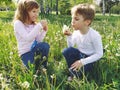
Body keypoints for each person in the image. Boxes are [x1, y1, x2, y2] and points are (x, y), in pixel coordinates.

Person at [62, 4, 103, 81]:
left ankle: (75, 74)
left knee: (81, 69)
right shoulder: (76, 32)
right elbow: (70, 46)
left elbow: (99, 54)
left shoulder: (95, 35)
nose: (72, 22)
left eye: (76, 19)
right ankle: (73, 71)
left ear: (87, 22)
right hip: (80, 55)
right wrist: (69, 36)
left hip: (90, 59)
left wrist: (82, 62)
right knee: (66, 51)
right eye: (72, 19)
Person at [13, 0, 50, 70]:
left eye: (37, 12)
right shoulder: (18, 23)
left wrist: (44, 31)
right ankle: (28, 63)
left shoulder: (34, 24)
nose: (36, 14)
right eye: (34, 11)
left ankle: (44, 66)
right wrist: (39, 26)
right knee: (31, 68)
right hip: (25, 53)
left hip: (34, 49)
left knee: (45, 45)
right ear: (24, 12)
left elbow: (38, 40)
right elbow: (28, 38)